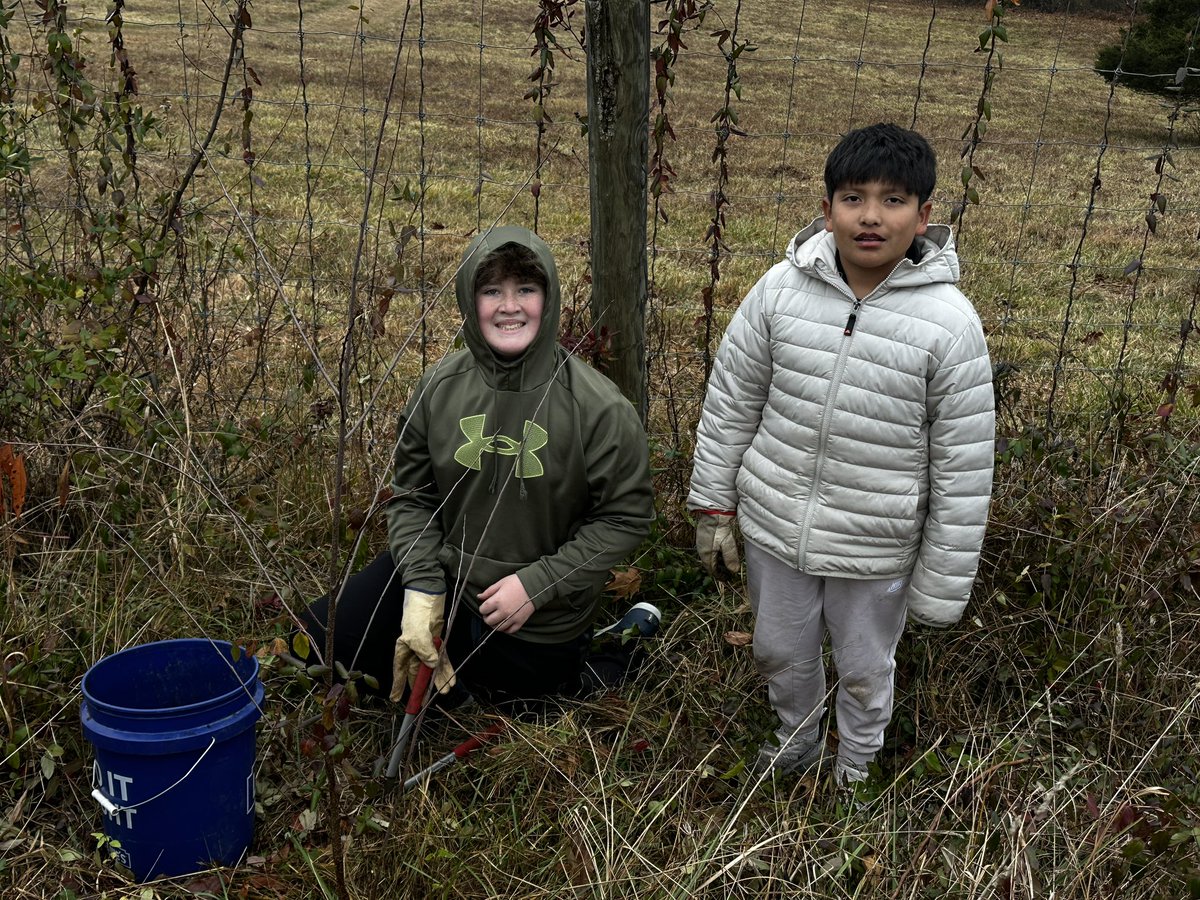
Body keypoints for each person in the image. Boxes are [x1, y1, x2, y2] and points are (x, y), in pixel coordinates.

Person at [688, 123, 994, 788]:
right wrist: (713, 503)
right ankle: (795, 740)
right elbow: (733, 398)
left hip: (874, 544)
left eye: (893, 200)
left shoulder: (950, 325)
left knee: (862, 666)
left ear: (924, 216)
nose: (871, 217)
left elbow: (964, 467)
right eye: (854, 198)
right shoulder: (780, 291)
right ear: (827, 210)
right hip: (776, 527)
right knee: (779, 649)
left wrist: (941, 583)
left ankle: (854, 768)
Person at [300, 226, 656, 711]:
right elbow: (413, 497)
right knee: (316, 645)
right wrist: (422, 589)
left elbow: (624, 519)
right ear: (470, 300)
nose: (509, 306)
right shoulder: (439, 387)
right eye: (492, 291)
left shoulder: (599, 408)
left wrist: (537, 585)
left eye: (525, 289)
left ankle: (612, 649)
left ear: (548, 299)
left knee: (517, 711)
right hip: (449, 575)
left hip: (537, 612)